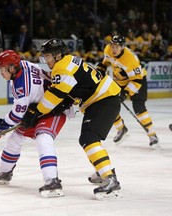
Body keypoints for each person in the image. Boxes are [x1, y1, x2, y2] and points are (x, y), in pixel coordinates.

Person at [21, 38, 122, 200]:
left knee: (89, 139)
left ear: (58, 55)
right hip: (103, 98)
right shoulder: (70, 61)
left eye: (48, 57)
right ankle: (103, 169)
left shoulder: (61, 68)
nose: (46, 61)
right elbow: (72, 91)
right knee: (88, 139)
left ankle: (110, 179)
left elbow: (55, 97)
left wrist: (36, 112)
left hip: (104, 100)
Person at [0, 50, 70, 198]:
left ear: (12, 68)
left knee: (43, 138)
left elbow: (17, 115)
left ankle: (52, 181)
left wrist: (1, 125)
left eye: (3, 69)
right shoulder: (24, 64)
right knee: (15, 138)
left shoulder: (21, 87)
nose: (1, 73)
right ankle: (5, 172)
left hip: (55, 108)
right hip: (37, 109)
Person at [96, 35, 159, 149]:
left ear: (123, 47)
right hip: (120, 81)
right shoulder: (107, 49)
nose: (113, 49)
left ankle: (152, 135)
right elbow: (106, 61)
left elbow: (137, 80)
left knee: (139, 108)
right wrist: (101, 68)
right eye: (112, 46)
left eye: (117, 47)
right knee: (109, 104)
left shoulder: (130, 59)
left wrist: (125, 93)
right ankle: (121, 129)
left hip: (137, 80)